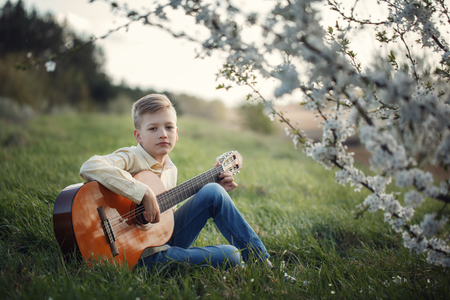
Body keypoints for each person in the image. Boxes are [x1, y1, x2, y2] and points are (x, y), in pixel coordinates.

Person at [79, 94, 271, 270]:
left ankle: (264, 265)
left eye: (168, 127)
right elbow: (90, 166)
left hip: (162, 242)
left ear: (176, 133)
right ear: (138, 136)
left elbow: (165, 222)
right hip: (136, 255)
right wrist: (142, 192)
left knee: (213, 191)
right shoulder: (131, 157)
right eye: (153, 128)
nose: (162, 133)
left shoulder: (171, 169)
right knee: (231, 257)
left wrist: (217, 190)